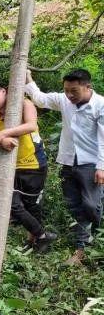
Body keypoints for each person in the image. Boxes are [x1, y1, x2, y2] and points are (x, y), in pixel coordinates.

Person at [25, 69, 104, 266]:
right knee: (73, 204)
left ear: (88, 87)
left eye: (74, 91)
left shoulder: (100, 105)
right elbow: (41, 99)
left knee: (91, 205)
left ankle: (94, 233)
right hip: (68, 162)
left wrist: (101, 166)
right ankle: (83, 245)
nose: (69, 95)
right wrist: (28, 79)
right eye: (66, 90)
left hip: (91, 164)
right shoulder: (64, 100)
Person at [0, 81, 57, 252]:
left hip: (34, 163)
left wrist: (3, 133)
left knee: (32, 205)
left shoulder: (25, 103)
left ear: (3, 91)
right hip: (10, 167)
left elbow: (32, 125)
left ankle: (34, 240)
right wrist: (2, 141)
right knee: (12, 205)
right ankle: (42, 235)